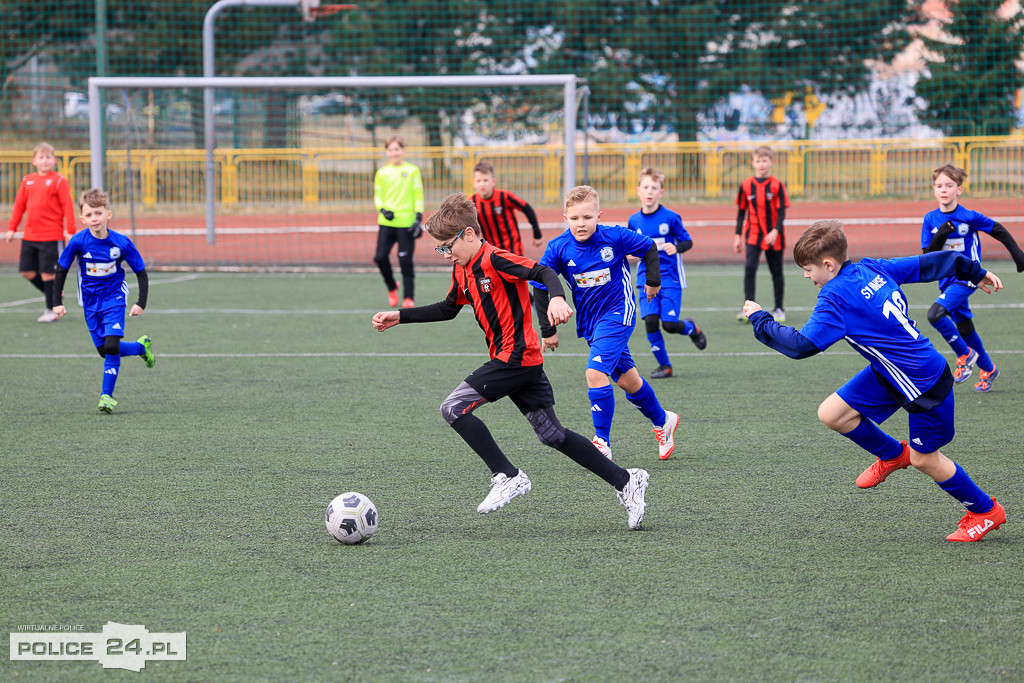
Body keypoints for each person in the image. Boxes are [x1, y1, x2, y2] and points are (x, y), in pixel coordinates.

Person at [371, 193, 650, 530]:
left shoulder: (497, 259)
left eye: (448, 245)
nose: (446, 253)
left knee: (453, 408)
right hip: (519, 363)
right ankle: (626, 480)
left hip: (516, 359)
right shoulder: (463, 270)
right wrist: (400, 316)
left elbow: (544, 271)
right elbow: (448, 308)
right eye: (440, 248)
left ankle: (507, 474)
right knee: (553, 435)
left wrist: (557, 299)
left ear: (470, 235)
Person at [743, 219, 1006, 542]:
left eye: (808, 269)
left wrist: (760, 318)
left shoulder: (834, 298)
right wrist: (975, 272)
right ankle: (893, 454)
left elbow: (800, 346)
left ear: (828, 264)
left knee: (926, 460)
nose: (807, 276)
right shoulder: (873, 267)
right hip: (890, 371)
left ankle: (985, 511)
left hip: (922, 384)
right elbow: (936, 263)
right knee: (832, 414)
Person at [534, 185, 679, 462]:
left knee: (594, 373)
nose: (581, 224)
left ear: (598, 215)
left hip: (618, 312)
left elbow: (649, 246)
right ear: (565, 218)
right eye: (575, 218)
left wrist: (652, 282)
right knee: (628, 381)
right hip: (591, 322)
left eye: (587, 217)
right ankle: (664, 420)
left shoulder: (614, 236)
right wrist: (548, 329)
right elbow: (539, 285)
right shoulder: (558, 247)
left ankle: (601, 442)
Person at [920, 164, 1024, 393]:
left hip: (969, 277)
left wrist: (1018, 255)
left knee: (935, 314)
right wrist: (941, 235)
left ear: (960, 189)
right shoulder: (930, 219)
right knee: (964, 326)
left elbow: (998, 230)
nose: (943, 190)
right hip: (945, 279)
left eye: (949, 185)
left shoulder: (968, 217)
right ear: (934, 190)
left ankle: (964, 354)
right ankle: (988, 368)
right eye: (939, 186)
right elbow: (928, 256)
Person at [52, 189, 155, 413]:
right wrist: (56, 301)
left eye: (98, 213)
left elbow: (141, 272)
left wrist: (141, 303)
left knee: (110, 346)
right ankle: (139, 347)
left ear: (109, 214)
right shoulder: (79, 241)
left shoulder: (121, 243)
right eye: (89, 215)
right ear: (82, 219)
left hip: (115, 297)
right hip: (89, 301)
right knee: (104, 350)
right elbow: (61, 269)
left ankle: (106, 396)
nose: (94, 219)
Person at [628, 167, 706, 380]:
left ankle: (692, 329)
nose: (649, 191)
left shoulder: (671, 217)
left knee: (670, 325)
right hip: (645, 279)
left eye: (654, 187)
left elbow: (687, 241)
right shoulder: (634, 221)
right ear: (638, 191)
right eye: (645, 187)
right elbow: (631, 250)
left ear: (661, 192)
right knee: (651, 321)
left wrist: (676, 247)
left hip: (670, 278)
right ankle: (665, 365)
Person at [4, 141, 77, 323]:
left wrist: (71, 231)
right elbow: (19, 206)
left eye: (48, 157)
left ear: (54, 160)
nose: (45, 160)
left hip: (51, 237)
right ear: (34, 160)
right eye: (41, 157)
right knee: (27, 271)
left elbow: (68, 207)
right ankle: (55, 294)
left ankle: (51, 310)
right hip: (30, 236)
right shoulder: (27, 180)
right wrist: (12, 228)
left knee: (48, 274)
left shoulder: (59, 180)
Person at [734, 145, 789, 322]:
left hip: (774, 236)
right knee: (750, 268)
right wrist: (737, 236)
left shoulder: (777, 185)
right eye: (758, 161)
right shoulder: (746, 185)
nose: (761, 164)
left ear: (771, 162)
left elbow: (781, 212)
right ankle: (748, 308)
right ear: (753, 163)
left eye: (765, 160)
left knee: (776, 271)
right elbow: (741, 212)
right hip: (753, 234)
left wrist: (775, 231)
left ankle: (779, 308)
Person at [373, 135, 424, 309]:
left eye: (397, 149)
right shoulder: (382, 173)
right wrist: (382, 209)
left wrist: (418, 216)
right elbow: (378, 196)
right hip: (386, 223)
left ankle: (409, 297)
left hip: (406, 223)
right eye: (390, 149)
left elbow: (418, 194)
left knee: (405, 260)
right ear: (386, 152)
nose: (394, 153)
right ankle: (392, 287)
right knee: (380, 258)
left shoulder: (412, 170)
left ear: (403, 150)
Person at [471, 160, 544, 256]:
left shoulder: (504, 196)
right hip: (491, 252)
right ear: (474, 183)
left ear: (493, 182)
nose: (482, 184)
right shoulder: (472, 202)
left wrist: (537, 234)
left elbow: (527, 209)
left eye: (485, 180)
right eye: (479, 181)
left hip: (513, 249)